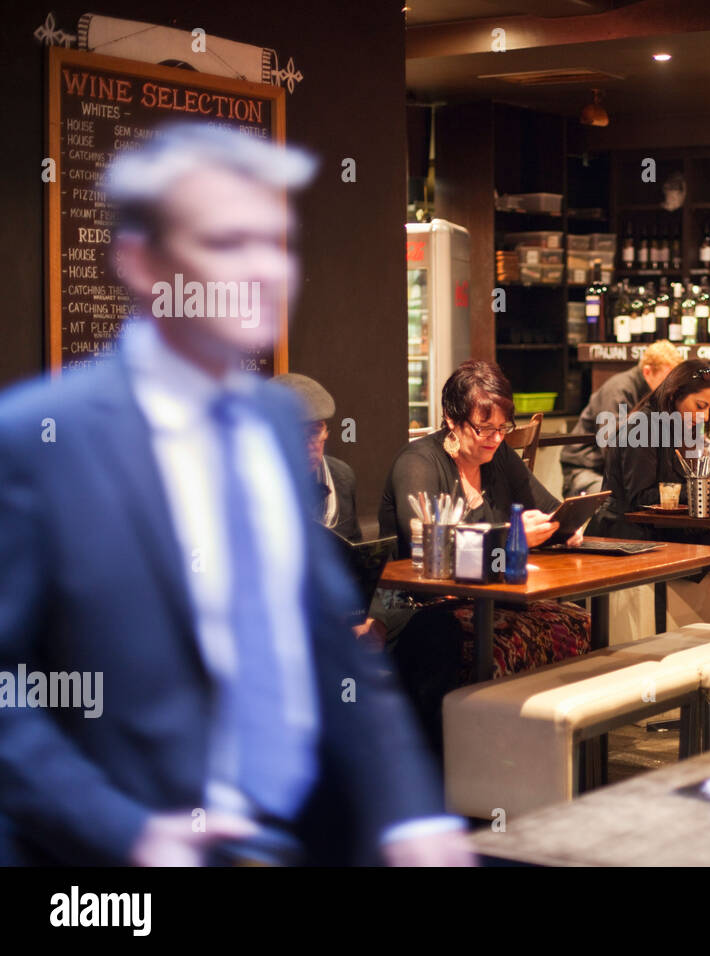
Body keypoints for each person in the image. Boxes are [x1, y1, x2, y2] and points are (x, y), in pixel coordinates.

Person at [0, 123, 471, 866]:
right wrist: (127, 833)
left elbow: (332, 661)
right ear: (141, 262)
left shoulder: (273, 421)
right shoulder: (35, 442)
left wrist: (409, 819)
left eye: (273, 242)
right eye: (225, 243)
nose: (260, 270)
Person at [376, 360, 590, 753]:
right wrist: (512, 536)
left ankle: (545, 763)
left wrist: (568, 524)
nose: (494, 438)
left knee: (577, 622)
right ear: (451, 420)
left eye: (502, 427)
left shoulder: (499, 457)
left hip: (489, 599)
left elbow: (549, 507)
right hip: (418, 606)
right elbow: (426, 545)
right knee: (445, 642)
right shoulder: (419, 463)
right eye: (483, 428)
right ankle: (462, 777)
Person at [587, 360, 710, 625]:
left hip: (659, 528)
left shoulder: (675, 427)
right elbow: (641, 500)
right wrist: (698, 491)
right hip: (627, 535)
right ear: (675, 395)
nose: (705, 417)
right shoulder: (643, 428)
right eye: (700, 406)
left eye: (709, 408)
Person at [561, 340, 683, 497]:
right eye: (667, 380)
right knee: (622, 500)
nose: (671, 388)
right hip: (585, 470)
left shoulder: (655, 395)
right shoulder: (619, 389)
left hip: (611, 473)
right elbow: (610, 446)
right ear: (647, 372)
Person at [271, 372, 360, 542]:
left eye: (314, 431)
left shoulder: (341, 477)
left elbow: (354, 551)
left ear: (326, 433)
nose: (309, 445)